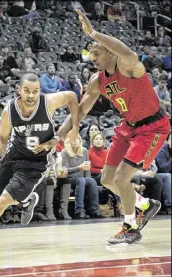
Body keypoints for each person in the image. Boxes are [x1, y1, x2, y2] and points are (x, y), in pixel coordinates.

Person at [58, 10, 170, 244]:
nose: (92, 56)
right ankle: (145, 205)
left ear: (110, 51)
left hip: (152, 128)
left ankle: (130, 227)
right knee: (107, 179)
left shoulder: (129, 66)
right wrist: (60, 133)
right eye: (91, 53)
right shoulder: (97, 80)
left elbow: (127, 51)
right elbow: (82, 109)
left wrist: (94, 33)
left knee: (121, 179)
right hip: (126, 127)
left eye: (96, 51)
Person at [0, 73, 79, 252]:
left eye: (35, 91)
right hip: (13, 156)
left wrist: (71, 130)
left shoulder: (48, 102)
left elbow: (73, 97)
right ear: (18, 90)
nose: (31, 95)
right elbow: (3, 138)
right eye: (27, 91)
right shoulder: (9, 111)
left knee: (1, 204)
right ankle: (26, 202)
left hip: (36, 163)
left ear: (40, 92)